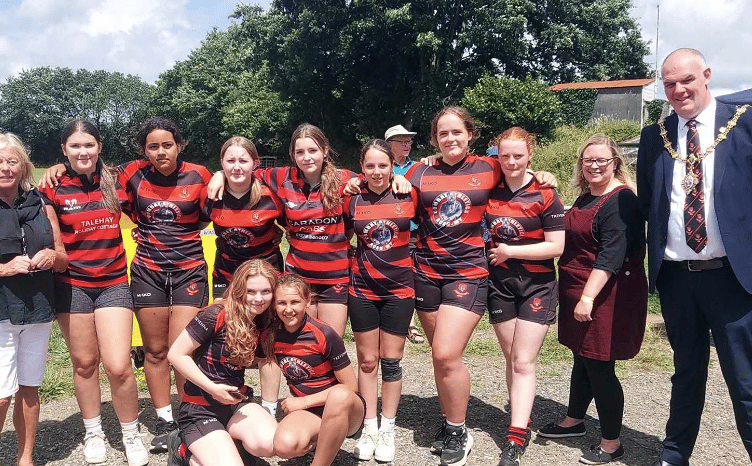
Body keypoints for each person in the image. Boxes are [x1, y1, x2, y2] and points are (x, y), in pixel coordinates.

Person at [39, 116, 213, 451]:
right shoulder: (122, 175)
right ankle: (159, 419)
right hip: (130, 273)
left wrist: (220, 172)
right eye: (153, 146)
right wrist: (54, 169)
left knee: (178, 350)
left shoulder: (194, 175)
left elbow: (208, 211)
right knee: (148, 351)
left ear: (180, 145)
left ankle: (191, 416)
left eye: (167, 144)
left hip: (172, 272)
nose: (160, 151)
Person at [636, 48, 752, 466]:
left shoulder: (742, 123)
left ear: (706, 75)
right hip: (677, 278)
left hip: (732, 277)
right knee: (686, 373)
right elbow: (649, 205)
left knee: (745, 379)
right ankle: (674, 454)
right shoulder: (656, 135)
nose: (678, 90)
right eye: (669, 84)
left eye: (686, 80)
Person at [39, 120, 148, 466]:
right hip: (72, 285)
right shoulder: (53, 187)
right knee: (85, 364)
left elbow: (160, 168)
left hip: (113, 281)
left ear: (100, 146)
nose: (83, 152)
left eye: (89, 145)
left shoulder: (118, 180)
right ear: (64, 150)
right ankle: (94, 431)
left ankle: (130, 434)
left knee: (118, 366)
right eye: (75, 146)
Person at [538, 134, 647, 465]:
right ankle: (574, 419)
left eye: (601, 159)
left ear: (615, 162)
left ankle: (612, 442)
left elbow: (610, 256)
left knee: (600, 365)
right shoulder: (586, 198)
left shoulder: (621, 200)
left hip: (606, 294)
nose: (594, 165)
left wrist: (587, 298)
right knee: (581, 357)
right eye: (588, 160)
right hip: (577, 289)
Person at [207, 124, 358, 337]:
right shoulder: (281, 178)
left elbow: (376, 178)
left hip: (335, 277)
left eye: (313, 150)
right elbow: (242, 170)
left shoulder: (344, 179)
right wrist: (219, 174)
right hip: (298, 277)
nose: (307, 157)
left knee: (330, 343)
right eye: (300, 152)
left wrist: (397, 178)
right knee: (300, 343)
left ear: (325, 151)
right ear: (292, 155)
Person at [486, 127, 564, 466]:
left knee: (522, 361)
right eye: (505, 155)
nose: (512, 161)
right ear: (497, 155)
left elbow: (556, 246)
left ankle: (516, 435)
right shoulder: (490, 187)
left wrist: (510, 251)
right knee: (510, 356)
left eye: (518, 155)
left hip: (538, 284)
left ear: (530, 155)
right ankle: (522, 413)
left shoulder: (545, 191)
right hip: (499, 285)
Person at [343, 139, 418, 462]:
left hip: (400, 289)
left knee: (390, 361)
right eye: (370, 166)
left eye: (383, 165)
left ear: (392, 167)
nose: (376, 171)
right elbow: (340, 237)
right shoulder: (352, 198)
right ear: (362, 167)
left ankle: (388, 426)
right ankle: (370, 425)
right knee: (367, 361)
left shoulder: (407, 193)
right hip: (362, 289)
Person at [201, 135, 285, 416]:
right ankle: (230, 399)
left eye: (243, 160)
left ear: (255, 163)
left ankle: (269, 408)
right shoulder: (211, 194)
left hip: (268, 276)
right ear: (222, 163)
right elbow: (188, 223)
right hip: (227, 275)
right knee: (226, 336)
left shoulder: (271, 194)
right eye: (230, 160)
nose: (237, 166)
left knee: (268, 339)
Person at [166, 259, 279, 466]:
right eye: (251, 291)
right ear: (238, 289)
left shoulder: (264, 319)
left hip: (235, 402)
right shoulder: (215, 314)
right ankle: (182, 449)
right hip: (200, 408)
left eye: (266, 291)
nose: (259, 298)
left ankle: (228, 447)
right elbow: (175, 354)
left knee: (271, 443)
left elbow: (267, 362)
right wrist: (212, 388)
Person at [0, 132, 68, 466]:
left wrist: (50, 256)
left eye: (12, 161)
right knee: (0, 395)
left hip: (38, 308)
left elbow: (63, 256)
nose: (5, 168)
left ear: (23, 165)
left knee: (30, 388)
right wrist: (3, 268)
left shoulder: (40, 203)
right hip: (0, 311)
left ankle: (24, 458)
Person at [263, 273, 366, 466]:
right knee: (284, 446)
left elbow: (350, 387)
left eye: (295, 302)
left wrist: (304, 401)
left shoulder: (324, 334)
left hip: (345, 408)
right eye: (281, 303)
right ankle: (325, 441)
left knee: (339, 396)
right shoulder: (271, 335)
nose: (288, 309)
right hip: (310, 411)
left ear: (308, 301)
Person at [385, 124, 425, 345]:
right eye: (402, 141)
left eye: (409, 141)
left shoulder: (419, 167)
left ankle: (410, 324)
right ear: (389, 144)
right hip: (385, 233)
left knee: (410, 277)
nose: (407, 144)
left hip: (412, 233)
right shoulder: (380, 166)